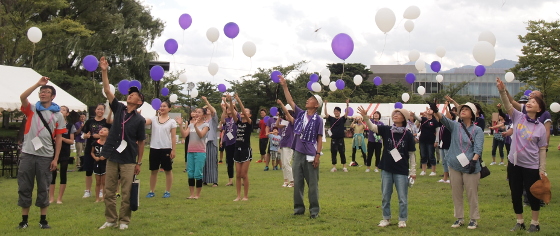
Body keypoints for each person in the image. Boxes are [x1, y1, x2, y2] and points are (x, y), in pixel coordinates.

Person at [97, 57, 146, 230]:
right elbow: (107, 90)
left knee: (126, 192)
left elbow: (141, 142)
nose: (130, 94)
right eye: (130, 93)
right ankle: (111, 219)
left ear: (139, 101)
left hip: (128, 159)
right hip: (112, 155)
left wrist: (139, 162)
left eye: (134, 94)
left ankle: (124, 220)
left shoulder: (140, 120)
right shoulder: (118, 108)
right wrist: (104, 70)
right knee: (109, 190)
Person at [497, 78, 548, 233]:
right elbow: (507, 104)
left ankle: (535, 223)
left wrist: (542, 169)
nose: (530, 102)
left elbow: (542, 149)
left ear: (539, 109)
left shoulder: (540, 128)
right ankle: (520, 221)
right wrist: (502, 90)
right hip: (514, 164)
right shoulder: (518, 117)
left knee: (533, 195)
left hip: (531, 166)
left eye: (534, 101)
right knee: (515, 193)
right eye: (529, 100)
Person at [17, 77, 66, 229]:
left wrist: (55, 158)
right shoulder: (32, 109)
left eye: (47, 92)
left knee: (43, 187)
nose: (43, 94)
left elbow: (59, 139)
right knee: (25, 186)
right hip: (28, 154)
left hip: (46, 156)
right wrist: (37, 84)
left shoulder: (58, 115)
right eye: (41, 92)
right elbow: (22, 97)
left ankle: (43, 220)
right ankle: (24, 221)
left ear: (53, 97)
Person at [357, 106, 416, 228]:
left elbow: (411, 154)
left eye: (398, 114)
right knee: (385, 195)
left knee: (402, 197)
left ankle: (402, 219)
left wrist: (413, 171)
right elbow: (373, 127)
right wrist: (366, 117)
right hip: (387, 167)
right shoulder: (387, 129)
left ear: (404, 118)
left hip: (402, 170)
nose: (395, 115)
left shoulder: (408, 135)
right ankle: (386, 218)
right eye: (394, 114)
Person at [429, 100, 483, 230]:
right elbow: (443, 119)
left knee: (471, 194)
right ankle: (459, 218)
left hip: (471, 166)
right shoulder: (455, 126)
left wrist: (474, 161)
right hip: (454, 164)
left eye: (466, 109)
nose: (463, 111)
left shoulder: (478, 129)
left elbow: (478, 148)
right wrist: (436, 111)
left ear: (472, 114)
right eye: (461, 109)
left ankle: (473, 219)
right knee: (456, 193)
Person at [280, 75, 323, 219]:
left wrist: (318, 155)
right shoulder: (300, 114)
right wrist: (285, 86)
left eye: (311, 99)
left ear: (316, 105)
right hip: (298, 152)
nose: (308, 100)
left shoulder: (319, 120)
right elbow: (290, 101)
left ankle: (314, 211)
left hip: (311, 153)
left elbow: (319, 138)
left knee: (312, 184)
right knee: (297, 183)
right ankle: (298, 209)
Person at [145, 101, 177, 198]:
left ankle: (167, 191)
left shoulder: (172, 121)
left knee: (168, 170)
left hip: (166, 148)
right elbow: (144, 121)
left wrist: (173, 150)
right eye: (161, 106)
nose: (162, 108)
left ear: (169, 109)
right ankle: (151, 191)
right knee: (153, 170)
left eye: (164, 106)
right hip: (154, 148)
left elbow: (173, 137)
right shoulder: (154, 119)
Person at [227, 93, 253, 201]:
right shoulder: (238, 123)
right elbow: (233, 112)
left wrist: (238, 99)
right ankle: (238, 196)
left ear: (249, 115)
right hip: (236, 149)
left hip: (245, 150)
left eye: (246, 111)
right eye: (243, 111)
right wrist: (230, 101)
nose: (243, 112)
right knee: (238, 174)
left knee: (244, 174)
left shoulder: (249, 123)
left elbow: (242, 110)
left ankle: (245, 196)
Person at [82, 103, 110, 198]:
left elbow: (110, 134)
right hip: (90, 147)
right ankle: (87, 190)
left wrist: (100, 136)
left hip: (103, 149)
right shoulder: (89, 122)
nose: (100, 111)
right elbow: (84, 133)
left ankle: (102, 190)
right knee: (88, 170)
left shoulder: (106, 122)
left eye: (102, 109)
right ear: (95, 110)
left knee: (103, 171)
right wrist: (85, 136)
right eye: (98, 109)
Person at [49, 105, 75, 204]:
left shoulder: (70, 126)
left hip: (64, 152)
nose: (61, 111)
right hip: (53, 151)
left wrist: (61, 139)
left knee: (63, 173)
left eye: (63, 110)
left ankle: (59, 198)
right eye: (60, 109)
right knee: (52, 174)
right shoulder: (53, 124)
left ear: (67, 113)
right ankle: (51, 198)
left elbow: (72, 141)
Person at [185, 108, 210, 199]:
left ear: (204, 115)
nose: (196, 114)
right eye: (196, 112)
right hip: (190, 151)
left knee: (198, 173)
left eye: (199, 112)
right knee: (190, 173)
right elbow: (184, 135)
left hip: (200, 152)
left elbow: (201, 135)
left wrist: (195, 126)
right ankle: (191, 194)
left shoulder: (206, 125)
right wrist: (181, 125)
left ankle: (197, 195)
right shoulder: (191, 125)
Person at [324, 99, 349, 172]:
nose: (336, 112)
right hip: (334, 139)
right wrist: (325, 105)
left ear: (340, 112)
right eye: (335, 111)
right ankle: (334, 166)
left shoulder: (342, 119)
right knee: (333, 152)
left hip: (341, 138)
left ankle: (344, 166)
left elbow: (347, 113)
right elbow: (326, 113)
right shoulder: (331, 119)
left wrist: (347, 105)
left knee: (342, 152)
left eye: (337, 111)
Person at [414, 107, 440, 176]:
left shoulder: (435, 121)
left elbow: (437, 131)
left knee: (431, 155)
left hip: (431, 141)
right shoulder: (423, 119)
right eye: (427, 110)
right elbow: (418, 119)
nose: (428, 110)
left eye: (430, 110)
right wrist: (414, 114)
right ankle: (423, 170)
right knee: (423, 155)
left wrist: (436, 141)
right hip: (422, 140)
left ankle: (433, 171)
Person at [201, 96, 219, 187]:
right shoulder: (202, 121)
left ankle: (214, 181)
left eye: (209, 109)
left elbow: (213, 112)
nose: (207, 110)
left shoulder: (213, 120)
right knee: (203, 162)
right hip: (202, 143)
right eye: (206, 109)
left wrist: (206, 101)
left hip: (211, 142)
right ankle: (204, 179)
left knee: (212, 162)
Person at [277, 99, 294, 187]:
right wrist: (278, 117)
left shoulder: (292, 122)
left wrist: (281, 104)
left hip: (289, 144)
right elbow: (277, 126)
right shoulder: (284, 122)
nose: (286, 116)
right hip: (283, 144)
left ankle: (292, 181)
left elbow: (287, 113)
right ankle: (286, 180)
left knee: (287, 163)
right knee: (283, 164)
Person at [91, 124, 111, 203]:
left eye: (105, 130)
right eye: (101, 130)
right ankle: (97, 198)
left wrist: (105, 157)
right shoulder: (95, 143)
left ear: (108, 134)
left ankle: (104, 197)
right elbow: (92, 152)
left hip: (105, 163)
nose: (102, 131)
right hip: (97, 162)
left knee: (104, 182)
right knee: (98, 182)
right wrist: (95, 157)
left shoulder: (108, 143)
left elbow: (111, 152)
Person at [437, 102, 455, 184]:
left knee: (448, 161)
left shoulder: (452, 124)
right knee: (443, 161)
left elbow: (448, 116)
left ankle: (451, 178)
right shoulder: (443, 124)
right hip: (442, 144)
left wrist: (446, 108)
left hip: (448, 144)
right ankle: (445, 178)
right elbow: (438, 117)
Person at [220, 100, 237, 186]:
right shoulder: (226, 119)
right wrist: (224, 110)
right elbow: (222, 121)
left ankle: (240, 179)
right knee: (229, 161)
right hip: (228, 142)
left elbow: (234, 111)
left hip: (236, 141)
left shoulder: (236, 117)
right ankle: (230, 180)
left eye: (230, 108)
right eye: (227, 109)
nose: (228, 110)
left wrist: (229, 103)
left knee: (238, 161)